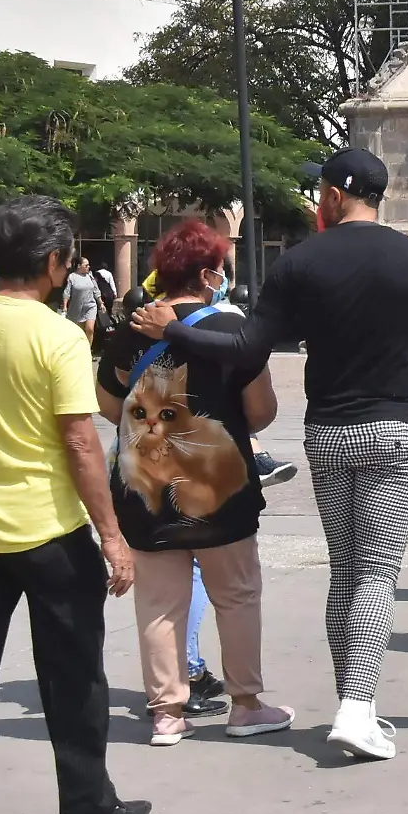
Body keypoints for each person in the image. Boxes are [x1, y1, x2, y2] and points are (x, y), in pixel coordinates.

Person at [133, 147, 408, 762]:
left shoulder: (300, 263)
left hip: (329, 434)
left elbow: (250, 345)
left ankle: (352, 703)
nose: (316, 202)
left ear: (336, 195)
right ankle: (358, 708)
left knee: (347, 571)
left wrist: (173, 330)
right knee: (377, 575)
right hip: (391, 432)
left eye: (320, 192)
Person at [0, 196, 151, 814]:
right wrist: (112, 536)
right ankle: (87, 802)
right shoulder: (56, 335)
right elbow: (81, 443)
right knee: (74, 673)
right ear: (55, 262)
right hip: (52, 536)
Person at [95, 220, 292, 748]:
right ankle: (246, 705)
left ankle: (166, 713)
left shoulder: (131, 330)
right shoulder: (232, 332)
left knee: (159, 603)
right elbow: (262, 412)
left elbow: (110, 407)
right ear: (209, 275)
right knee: (236, 595)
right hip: (220, 491)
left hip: (145, 491)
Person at [63, 256, 101, 344]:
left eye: (88, 265)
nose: (88, 267)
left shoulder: (90, 276)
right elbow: (67, 292)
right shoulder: (72, 277)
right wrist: (65, 306)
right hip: (77, 308)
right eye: (86, 265)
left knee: (90, 329)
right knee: (79, 332)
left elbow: (96, 290)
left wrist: (100, 303)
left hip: (91, 306)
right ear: (79, 266)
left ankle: (88, 350)